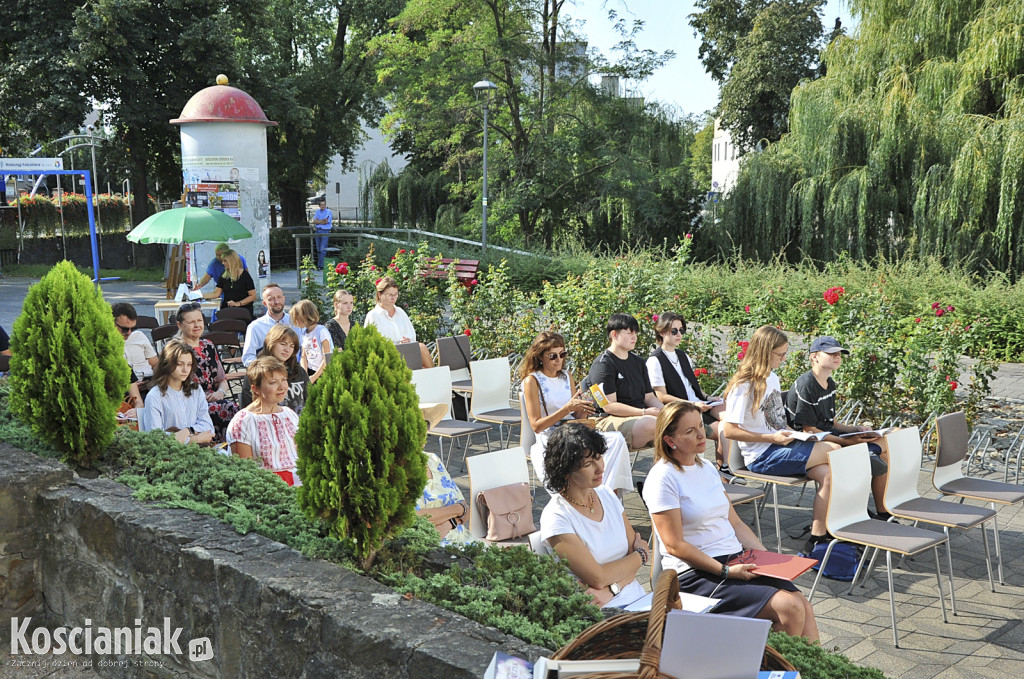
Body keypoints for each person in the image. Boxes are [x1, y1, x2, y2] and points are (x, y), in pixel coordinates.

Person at [644, 402, 820, 640]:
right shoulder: (662, 478)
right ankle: (770, 671)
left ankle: (802, 672)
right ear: (669, 440)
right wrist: (726, 571)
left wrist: (770, 560)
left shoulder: (706, 467)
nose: (701, 434)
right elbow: (675, 545)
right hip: (696, 572)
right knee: (790, 607)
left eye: (700, 425)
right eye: (689, 431)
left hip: (734, 560)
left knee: (803, 605)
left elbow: (735, 523)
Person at [720, 325, 840, 555]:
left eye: (785, 353)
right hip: (761, 456)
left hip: (778, 444)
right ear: (764, 352)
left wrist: (795, 434)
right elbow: (729, 431)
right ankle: (845, 522)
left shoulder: (772, 378)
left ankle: (817, 537)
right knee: (834, 449)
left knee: (827, 472)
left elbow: (775, 419)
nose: (784, 359)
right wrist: (771, 437)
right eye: (780, 354)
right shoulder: (743, 385)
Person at [541, 424, 649, 608]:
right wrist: (641, 554)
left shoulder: (606, 495)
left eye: (599, 457)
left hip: (637, 598)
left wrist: (611, 589)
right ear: (566, 471)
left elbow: (633, 556)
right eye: (589, 464)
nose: (600, 468)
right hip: (602, 613)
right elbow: (598, 578)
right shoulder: (557, 517)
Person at [786, 336, 892, 520]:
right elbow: (809, 430)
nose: (837, 357)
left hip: (827, 435)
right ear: (814, 357)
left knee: (885, 443)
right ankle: (856, 504)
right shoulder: (806, 385)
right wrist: (845, 441)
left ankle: (882, 512)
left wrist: (854, 429)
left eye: (839, 354)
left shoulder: (830, 383)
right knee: (856, 453)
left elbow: (832, 423)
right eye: (831, 353)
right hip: (809, 442)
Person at [519, 331, 634, 496]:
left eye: (562, 354)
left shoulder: (566, 376)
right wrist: (567, 408)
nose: (559, 360)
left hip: (573, 430)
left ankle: (606, 493)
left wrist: (584, 408)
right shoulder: (533, 381)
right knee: (587, 451)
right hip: (552, 436)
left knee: (616, 440)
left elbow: (577, 418)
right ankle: (599, 495)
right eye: (553, 356)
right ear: (540, 357)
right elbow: (537, 425)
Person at [647, 312, 727, 471]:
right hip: (682, 410)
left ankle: (731, 467)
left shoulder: (683, 356)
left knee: (732, 417)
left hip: (699, 404)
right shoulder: (655, 360)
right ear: (661, 332)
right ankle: (724, 469)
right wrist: (692, 404)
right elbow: (662, 396)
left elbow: (692, 387)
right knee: (724, 429)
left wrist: (709, 398)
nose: (679, 334)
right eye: (674, 331)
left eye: (681, 330)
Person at [584, 313, 661, 450]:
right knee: (655, 424)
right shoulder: (603, 365)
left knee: (680, 421)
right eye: (629, 333)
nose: (634, 337)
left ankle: (678, 469)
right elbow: (609, 406)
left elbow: (649, 397)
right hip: (608, 419)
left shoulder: (638, 362)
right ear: (614, 335)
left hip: (641, 417)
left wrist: (668, 411)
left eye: (636, 333)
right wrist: (643, 412)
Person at [227, 356, 301, 486]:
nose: (282, 387)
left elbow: (302, 455)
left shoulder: (289, 414)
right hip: (268, 488)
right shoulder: (243, 421)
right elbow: (245, 472)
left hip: (299, 481)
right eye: (273, 382)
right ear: (256, 388)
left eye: (283, 380)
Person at [175, 302, 239, 439]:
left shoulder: (208, 345)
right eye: (191, 322)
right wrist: (201, 398)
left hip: (214, 399)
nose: (197, 325)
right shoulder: (175, 348)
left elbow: (222, 379)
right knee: (228, 408)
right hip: (189, 404)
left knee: (233, 409)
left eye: (199, 320)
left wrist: (220, 392)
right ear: (180, 325)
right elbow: (172, 387)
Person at [144, 339, 215, 445]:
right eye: (180, 364)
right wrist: (194, 439)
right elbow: (156, 438)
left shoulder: (196, 390)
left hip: (199, 450)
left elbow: (208, 427)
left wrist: (187, 431)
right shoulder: (154, 396)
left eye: (189, 364)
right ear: (167, 364)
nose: (185, 369)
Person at [240, 324, 310, 415]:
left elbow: (311, 400)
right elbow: (249, 406)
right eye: (283, 344)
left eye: (291, 346)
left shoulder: (299, 371)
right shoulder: (257, 372)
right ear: (271, 344)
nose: (287, 350)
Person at [364, 276, 432, 369]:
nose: (393, 298)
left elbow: (412, 335)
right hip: (388, 355)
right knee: (423, 369)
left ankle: (435, 375)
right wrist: (396, 345)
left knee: (421, 347)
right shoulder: (373, 315)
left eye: (395, 294)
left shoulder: (400, 312)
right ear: (380, 295)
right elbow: (371, 344)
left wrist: (407, 341)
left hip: (406, 351)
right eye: (389, 295)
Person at [415, 452, 478, 546]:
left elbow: (464, 507)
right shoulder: (396, 472)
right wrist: (458, 510)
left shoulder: (432, 459)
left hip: (465, 540)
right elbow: (415, 518)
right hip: (434, 551)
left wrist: (450, 523)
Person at [242, 283, 292, 366]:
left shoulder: (295, 322)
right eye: (271, 299)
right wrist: (264, 369)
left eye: (279, 297)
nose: (276, 302)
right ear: (264, 303)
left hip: (295, 371)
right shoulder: (255, 327)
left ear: (284, 299)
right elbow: (248, 357)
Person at [112, 302, 158, 379]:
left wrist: (156, 381)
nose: (129, 333)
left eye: (133, 328)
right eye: (125, 329)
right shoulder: (105, 344)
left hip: (149, 382)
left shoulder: (139, 336)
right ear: (112, 323)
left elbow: (155, 364)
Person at [290, 299, 332, 383]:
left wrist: (314, 377)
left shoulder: (321, 331)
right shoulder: (304, 333)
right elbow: (303, 356)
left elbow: (327, 358)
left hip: (323, 372)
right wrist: (305, 374)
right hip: (310, 371)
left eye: (297, 318)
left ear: (305, 316)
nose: (296, 322)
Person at [206, 250, 256, 316]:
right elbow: (216, 293)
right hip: (227, 309)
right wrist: (199, 296)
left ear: (232, 261)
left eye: (225, 261)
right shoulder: (224, 275)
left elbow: (253, 296)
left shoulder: (245, 275)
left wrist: (238, 303)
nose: (222, 263)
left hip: (242, 310)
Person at [312, 198, 332, 269]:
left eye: (324, 204)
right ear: (319, 206)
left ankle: (321, 265)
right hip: (318, 230)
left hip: (325, 231)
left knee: (322, 249)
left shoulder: (328, 212)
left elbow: (326, 221)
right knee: (318, 249)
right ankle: (319, 265)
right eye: (322, 205)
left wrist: (318, 221)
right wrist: (321, 221)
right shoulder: (317, 212)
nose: (323, 206)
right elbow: (314, 221)